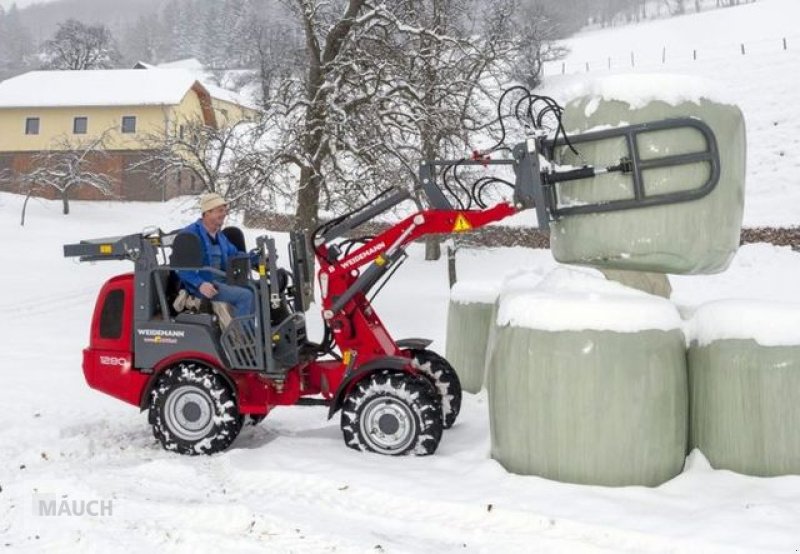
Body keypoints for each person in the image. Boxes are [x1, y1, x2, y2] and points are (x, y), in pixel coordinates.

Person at [176, 193, 255, 321]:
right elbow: (181, 267)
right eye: (220, 211)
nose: (224, 214)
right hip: (206, 285)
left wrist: (253, 257)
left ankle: (257, 329)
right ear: (207, 212)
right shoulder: (190, 234)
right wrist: (200, 284)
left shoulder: (219, 236)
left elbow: (234, 255)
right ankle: (241, 332)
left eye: (224, 210)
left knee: (254, 288)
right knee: (244, 295)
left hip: (222, 280)